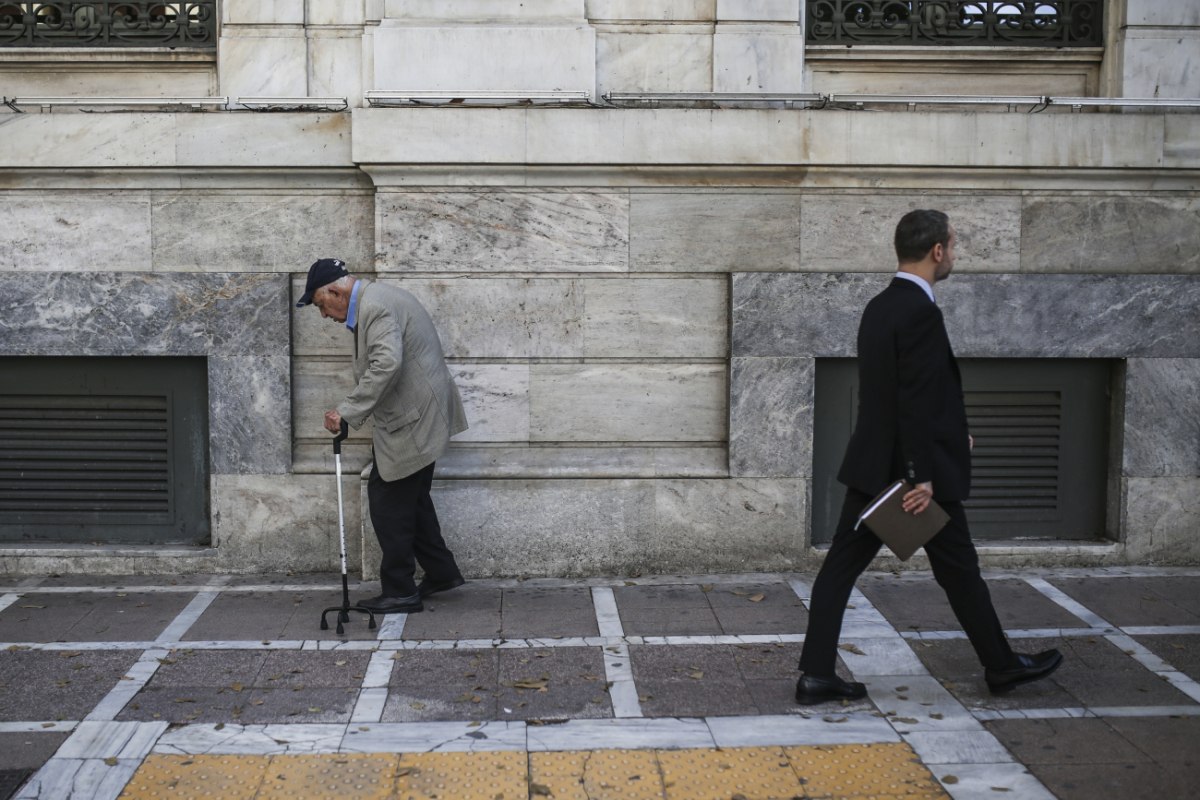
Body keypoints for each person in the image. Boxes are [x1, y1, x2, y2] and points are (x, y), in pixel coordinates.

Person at [795, 210, 1063, 705]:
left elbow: (908, 394)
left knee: (849, 569)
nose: (954, 255)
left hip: (876, 466)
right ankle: (1001, 666)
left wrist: (956, 433)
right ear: (937, 250)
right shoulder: (920, 311)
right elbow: (913, 400)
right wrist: (922, 475)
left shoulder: (880, 306)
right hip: (909, 479)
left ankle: (816, 674)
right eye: (954, 246)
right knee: (958, 569)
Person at [297, 258, 468, 615]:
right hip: (420, 413)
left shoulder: (375, 307)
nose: (323, 315)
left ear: (335, 291)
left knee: (388, 500)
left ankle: (401, 590)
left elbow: (386, 363)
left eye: (319, 304)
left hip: (414, 418)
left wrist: (346, 410)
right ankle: (441, 572)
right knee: (413, 497)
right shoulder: (376, 300)